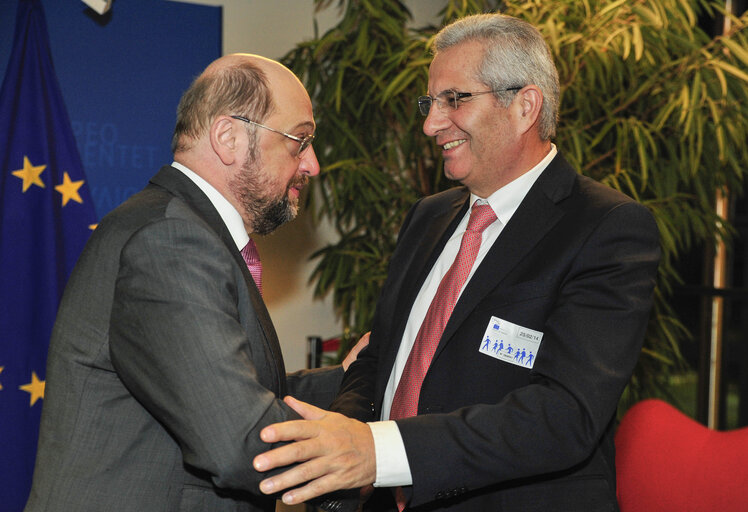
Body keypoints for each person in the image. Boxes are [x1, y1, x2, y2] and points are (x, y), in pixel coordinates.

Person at [252, 13, 661, 512]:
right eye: (430, 102)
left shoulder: (606, 228)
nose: (430, 124)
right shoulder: (428, 217)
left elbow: (563, 415)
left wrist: (378, 453)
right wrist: (344, 445)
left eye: (455, 99)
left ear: (525, 105)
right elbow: (380, 360)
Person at [24, 53, 365, 512]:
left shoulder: (184, 230)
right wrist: (372, 454)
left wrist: (348, 378)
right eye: (299, 141)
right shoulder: (172, 240)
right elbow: (241, 438)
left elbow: (230, 392)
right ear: (228, 138)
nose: (313, 165)